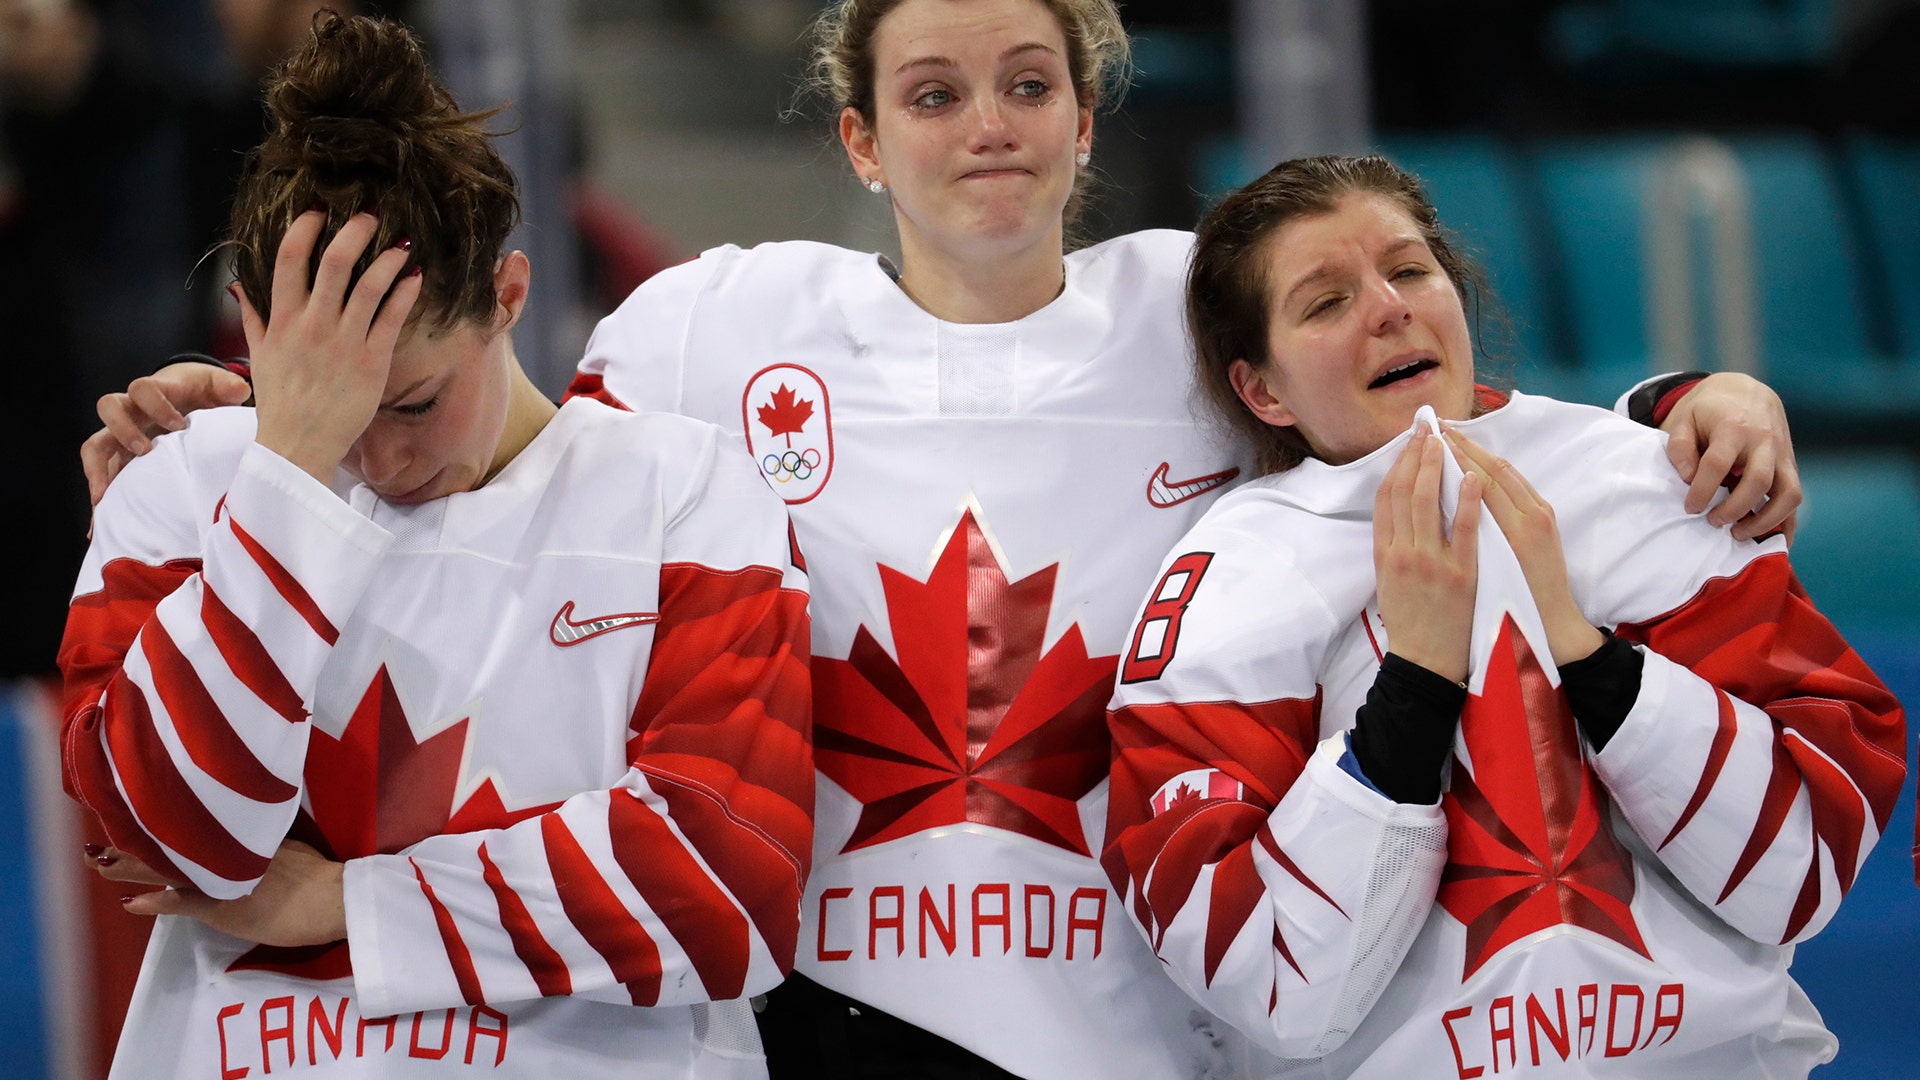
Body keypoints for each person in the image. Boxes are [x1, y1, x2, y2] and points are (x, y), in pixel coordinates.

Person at [79, 2, 1809, 1075]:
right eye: (932, 91)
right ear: (858, 133)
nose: (986, 124)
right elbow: (495, 470)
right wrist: (245, 427)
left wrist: (1685, 408)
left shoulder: (1184, 310)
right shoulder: (713, 327)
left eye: (1027, 81)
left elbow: (1422, 409)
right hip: (833, 1025)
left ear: (1084, 113)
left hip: (1147, 1023)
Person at [58, 13, 811, 1078]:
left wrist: (349, 903)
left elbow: (732, 883)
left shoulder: (685, 489)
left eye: (411, 402)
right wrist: (285, 470)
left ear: (508, 295)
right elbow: (184, 835)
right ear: (251, 327)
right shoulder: (178, 478)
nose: (376, 459)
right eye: (327, 404)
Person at [1102, 154, 1905, 1077]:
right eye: (1325, 303)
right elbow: (1279, 990)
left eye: (1408, 270)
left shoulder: (1649, 483)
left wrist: (1584, 650)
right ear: (1263, 392)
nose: (1389, 307)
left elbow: (1801, 870)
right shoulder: (1225, 586)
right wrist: (1412, 688)